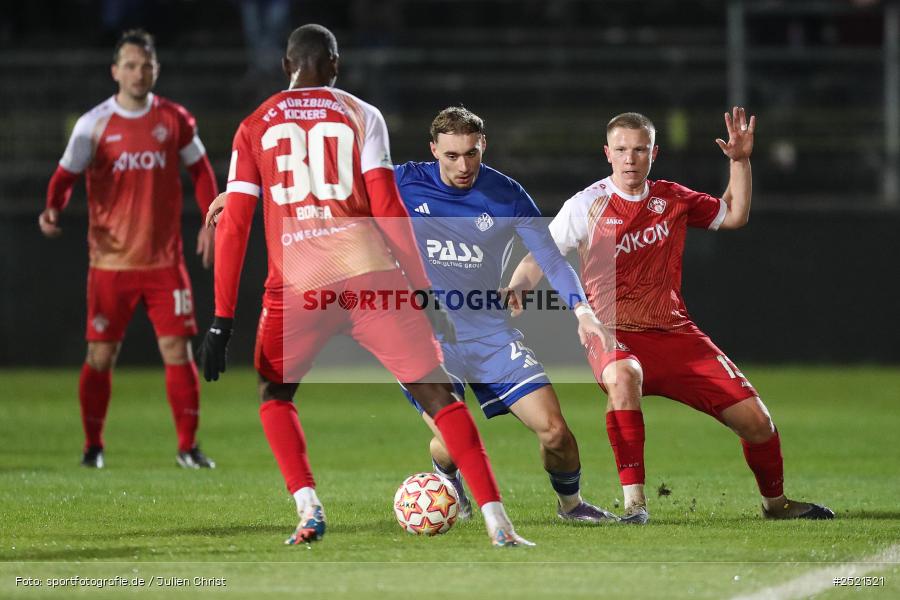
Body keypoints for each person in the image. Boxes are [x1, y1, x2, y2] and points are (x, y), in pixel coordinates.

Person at [200, 24, 532, 547]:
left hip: (299, 288)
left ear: (288, 64)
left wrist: (221, 318)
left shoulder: (254, 124)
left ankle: (308, 509)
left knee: (274, 393)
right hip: (372, 281)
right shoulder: (361, 114)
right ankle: (499, 524)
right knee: (441, 397)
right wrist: (422, 293)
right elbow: (387, 206)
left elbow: (236, 224)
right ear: (333, 63)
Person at [507, 108, 834, 523]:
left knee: (758, 423)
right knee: (623, 377)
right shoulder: (585, 204)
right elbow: (544, 255)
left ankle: (776, 505)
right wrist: (519, 282)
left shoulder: (673, 199)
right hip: (611, 332)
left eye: (639, 149)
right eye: (622, 149)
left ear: (653, 153)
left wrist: (740, 161)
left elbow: (734, 215)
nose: (630, 158)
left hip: (676, 335)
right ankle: (635, 506)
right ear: (607, 153)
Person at [394, 106, 617, 524]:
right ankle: (448, 476)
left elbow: (551, 258)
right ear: (433, 150)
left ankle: (571, 507)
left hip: (490, 331)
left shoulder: (506, 194)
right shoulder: (404, 181)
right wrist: (250, 195)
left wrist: (582, 312)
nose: (463, 166)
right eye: (452, 156)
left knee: (556, 432)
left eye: (471, 154)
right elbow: (331, 188)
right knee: (457, 437)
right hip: (424, 336)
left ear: (484, 147)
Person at [39, 29, 218, 470]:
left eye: (147, 65)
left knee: (177, 351)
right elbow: (64, 177)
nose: (140, 73)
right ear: (115, 71)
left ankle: (187, 448)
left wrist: (212, 220)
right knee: (101, 355)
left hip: (164, 262)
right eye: (132, 65)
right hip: (110, 262)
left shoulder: (175, 119)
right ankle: (93, 447)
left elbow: (201, 172)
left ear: (156, 69)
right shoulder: (93, 124)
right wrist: (52, 210)